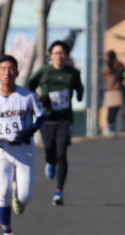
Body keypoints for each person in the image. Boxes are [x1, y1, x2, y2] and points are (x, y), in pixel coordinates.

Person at [0, 55, 45, 235]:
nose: (7, 73)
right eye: (3, 69)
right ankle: (7, 233)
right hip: (3, 150)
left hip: (25, 150)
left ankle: (19, 196)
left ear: (16, 72)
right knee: (2, 192)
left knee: (25, 197)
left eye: (11, 69)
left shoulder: (27, 96)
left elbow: (41, 117)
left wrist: (30, 130)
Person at [28, 40, 84, 206]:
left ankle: (58, 191)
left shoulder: (72, 72)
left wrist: (79, 96)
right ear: (50, 55)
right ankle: (49, 162)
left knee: (62, 152)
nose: (59, 56)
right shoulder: (44, 72)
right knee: (50, 150)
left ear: (66, 56)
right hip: (46, 118)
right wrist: (37, 98)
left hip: (64, 119)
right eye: (56, 53)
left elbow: (80, 87)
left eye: (62, 53)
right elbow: (30, 86)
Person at [102, 50, 125, 135]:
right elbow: (105, 72)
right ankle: (109, 127)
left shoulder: (118, 65)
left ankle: (120, 127)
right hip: (109, 90)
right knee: (111, 109)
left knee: (117, 108)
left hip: (117, 89)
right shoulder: (106, 67)